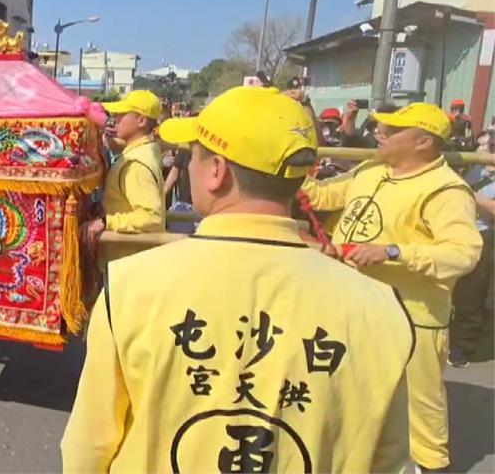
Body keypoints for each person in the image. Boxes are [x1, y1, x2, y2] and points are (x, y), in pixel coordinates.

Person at [61, 87, 415, 473]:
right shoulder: (379, 307)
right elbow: (389, 461)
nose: (187, 167)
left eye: (193, 154)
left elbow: (89, 445)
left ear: (217, 171)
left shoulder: (131, 287)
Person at [301, 102, 483, 471]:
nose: (379, 133)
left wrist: (392, 252)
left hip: (412, 318)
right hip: (356, 309)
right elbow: (320, 196)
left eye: (392, 130)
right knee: (352, 397)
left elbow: (463, 254)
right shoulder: (371, 169)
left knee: (422, 415)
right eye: (381, 126)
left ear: (423, 142)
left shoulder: (446, 190)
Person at [81, 90, 166, 263]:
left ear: (141, 121)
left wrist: (106, 222)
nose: (116, 118)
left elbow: (151, 216)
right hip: (131, 258)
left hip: (128, 261)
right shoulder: (147, 149)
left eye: (122, 114)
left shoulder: (135, 165)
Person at [449, 127, 495, 368]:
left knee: (471, 297)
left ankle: (461, 348)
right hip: (457, 232)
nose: (484, 147)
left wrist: (465, 190)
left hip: (484, 238)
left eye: (489, 144)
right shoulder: (474, 165)